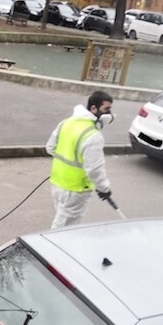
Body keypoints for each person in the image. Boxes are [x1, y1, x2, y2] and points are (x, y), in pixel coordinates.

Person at [46, 90, 115, 229]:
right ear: (94, 108)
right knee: (64, 227)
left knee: (61, 218)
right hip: (76, 189)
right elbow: (94, 170)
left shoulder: (67, 122)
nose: (109, 114)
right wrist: (104, 188)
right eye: (106, 109)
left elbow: (50, 148)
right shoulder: (93, 135)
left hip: (57, 182)